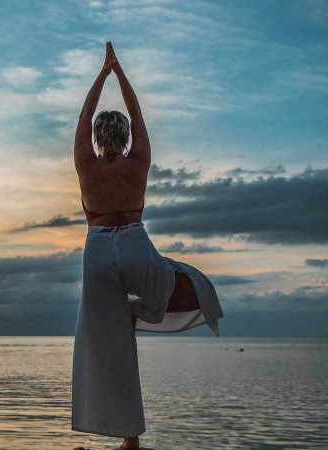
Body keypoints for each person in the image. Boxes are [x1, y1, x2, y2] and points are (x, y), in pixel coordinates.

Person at [71, 42, 224, 450]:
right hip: (136, 244)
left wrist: (100, 74)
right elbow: (137, 115)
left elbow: (84, 117)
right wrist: (119, 72)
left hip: (99, 249)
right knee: (171, 283)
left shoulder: (86, 165)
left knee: (107, 343)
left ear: (98, 137)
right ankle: (145, 310)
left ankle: (128, 435)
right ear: (123, 136)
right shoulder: (138, 161)